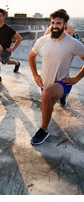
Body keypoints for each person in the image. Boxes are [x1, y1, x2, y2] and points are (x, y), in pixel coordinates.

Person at [28, 9, 84, 145]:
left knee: (47, 95)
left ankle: (43, 130)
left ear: (65, 24)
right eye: (53, 23)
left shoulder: (73, 43)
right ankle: (62, 98)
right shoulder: (42, 41)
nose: (55, 26)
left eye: (58, 23)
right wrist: (35, 75)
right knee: (47, 96)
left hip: (63, 83)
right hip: (46, 82)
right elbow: (31, 56)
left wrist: (76, 78)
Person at [0, 8, 22, 83]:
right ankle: (17, 63)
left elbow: (19, 38)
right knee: (8, 61)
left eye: (0, 16)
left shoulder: (8, 29)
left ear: (4, 16)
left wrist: (12, 49)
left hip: (5, 51)